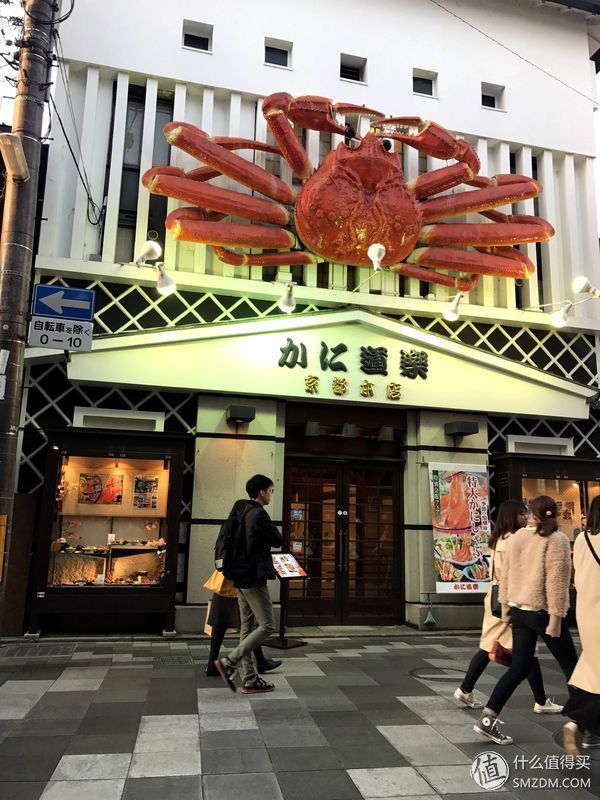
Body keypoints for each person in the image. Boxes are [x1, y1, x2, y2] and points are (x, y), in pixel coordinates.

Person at [474, 495, 578, 745]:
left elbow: (507, 575)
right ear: (554, 513)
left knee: (519, 668)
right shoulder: (557, 539)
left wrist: (506, 608)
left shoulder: (519, 537)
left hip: (519, 612)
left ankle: (487, 719)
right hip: (543, 612)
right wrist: (556, 617)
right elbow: (557, 581)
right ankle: (585, 724)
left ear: (533, 514)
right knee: (572, 667)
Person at [454, 500, 561, 716]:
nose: (525, 517)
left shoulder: (498, 539)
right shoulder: (513, 539)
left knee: (490, 646)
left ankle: (465, 689)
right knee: (527, 651)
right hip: (508, 599)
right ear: (512, 516)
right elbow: (513, 574)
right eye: (521, 513)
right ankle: (540, 701)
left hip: (494, 597)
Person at [215, 474, 282, 694]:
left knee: (247, 627)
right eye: (270, 491)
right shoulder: (258, 514)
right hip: (253, 576)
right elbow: (278, 540)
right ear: (262, 492)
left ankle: (250, 679)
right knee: (267, 625)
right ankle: (229, 662)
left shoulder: (240, 509)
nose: (271, 495)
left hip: (238, 576)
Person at [558, 496, 600, 754]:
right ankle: (580, 723)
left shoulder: (582, 539)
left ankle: (582, 727)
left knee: (593, 672)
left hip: (587, 614)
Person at [204, 589, 281, 677]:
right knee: (249, 625)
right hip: (236, 586)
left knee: (225, 622)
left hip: (228, 585)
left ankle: (258, 663)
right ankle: (248, 664)